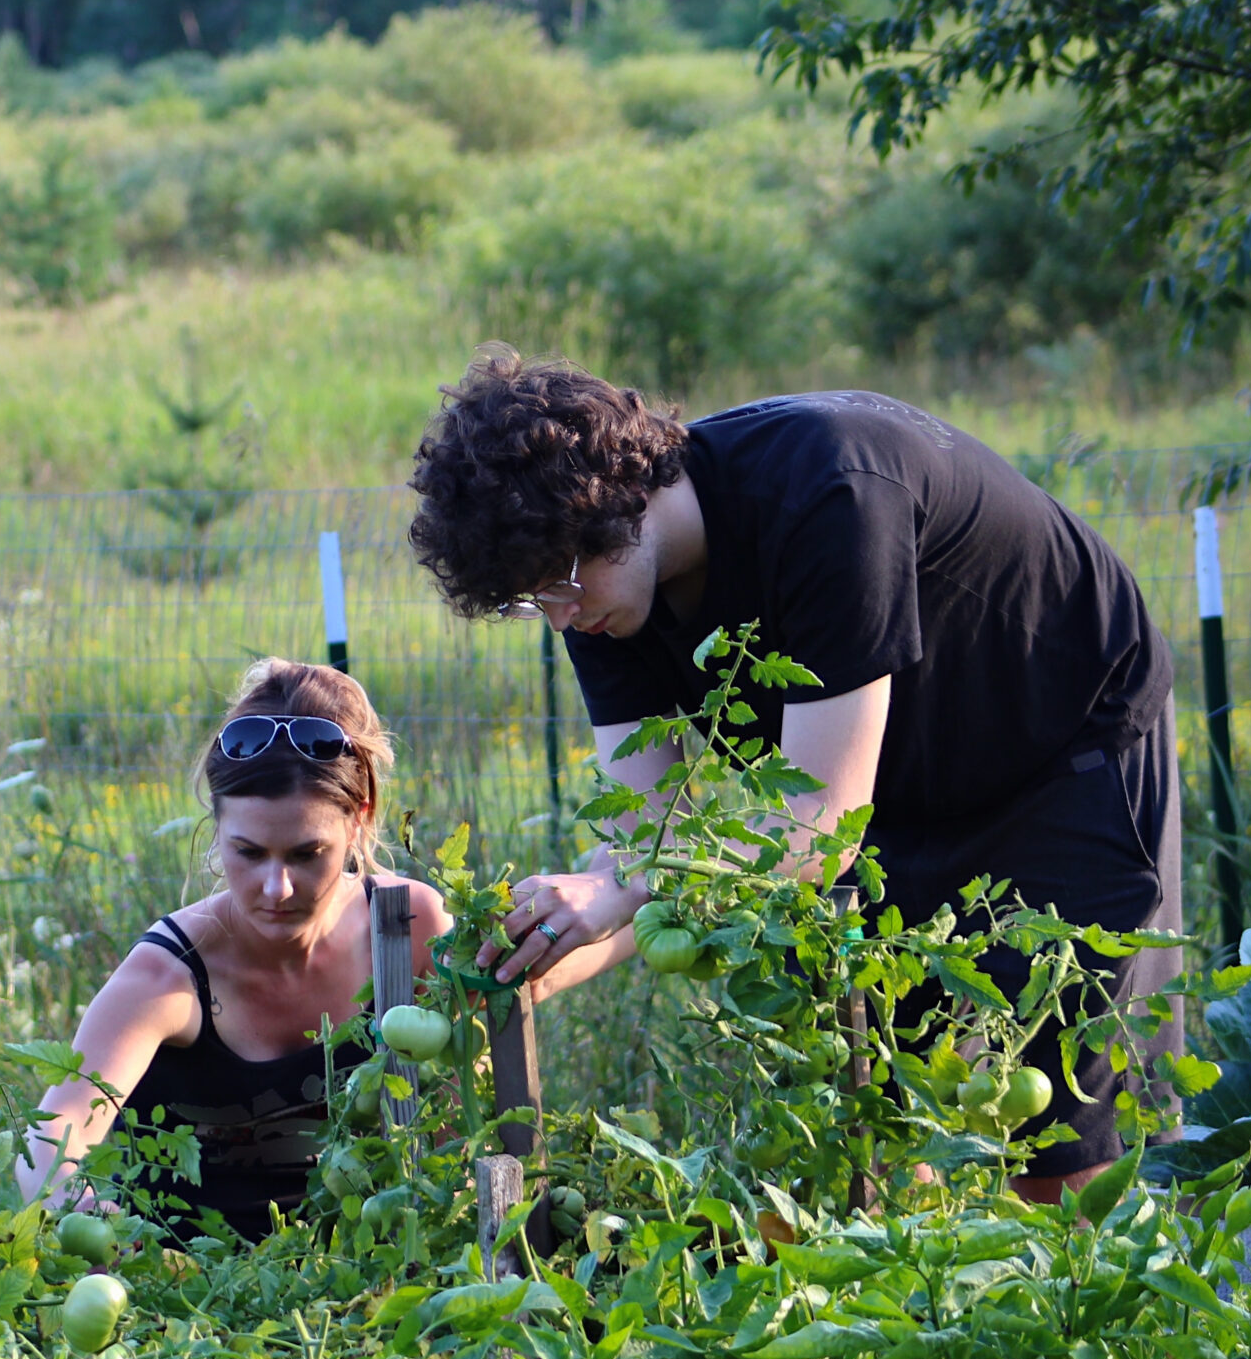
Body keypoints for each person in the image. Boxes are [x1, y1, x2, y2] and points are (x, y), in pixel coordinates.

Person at [406, 345, 1180, 1203]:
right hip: (887, 790)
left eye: (560, 581)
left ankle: (1110, 1315)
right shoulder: (603, 605)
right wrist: (545, 956)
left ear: (620, 499)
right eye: (531, 599)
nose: (559, 614)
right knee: (879, 1101)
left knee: (1065, 1122)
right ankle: (930, 1312)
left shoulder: (829, 492)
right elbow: (646, 846)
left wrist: (624, 883)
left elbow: (817, 828)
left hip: (1061, 740)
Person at [16, 661, 450, 1240]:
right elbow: (53, 1136)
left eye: (305, 854)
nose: (277, 888)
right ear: (216, 828)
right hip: (182, 1300)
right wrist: (93, 1221)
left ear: (359, 820)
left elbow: (456, 1122)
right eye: (249, 853)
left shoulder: (408, 927)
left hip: (366, 1284)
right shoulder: (168, 973)